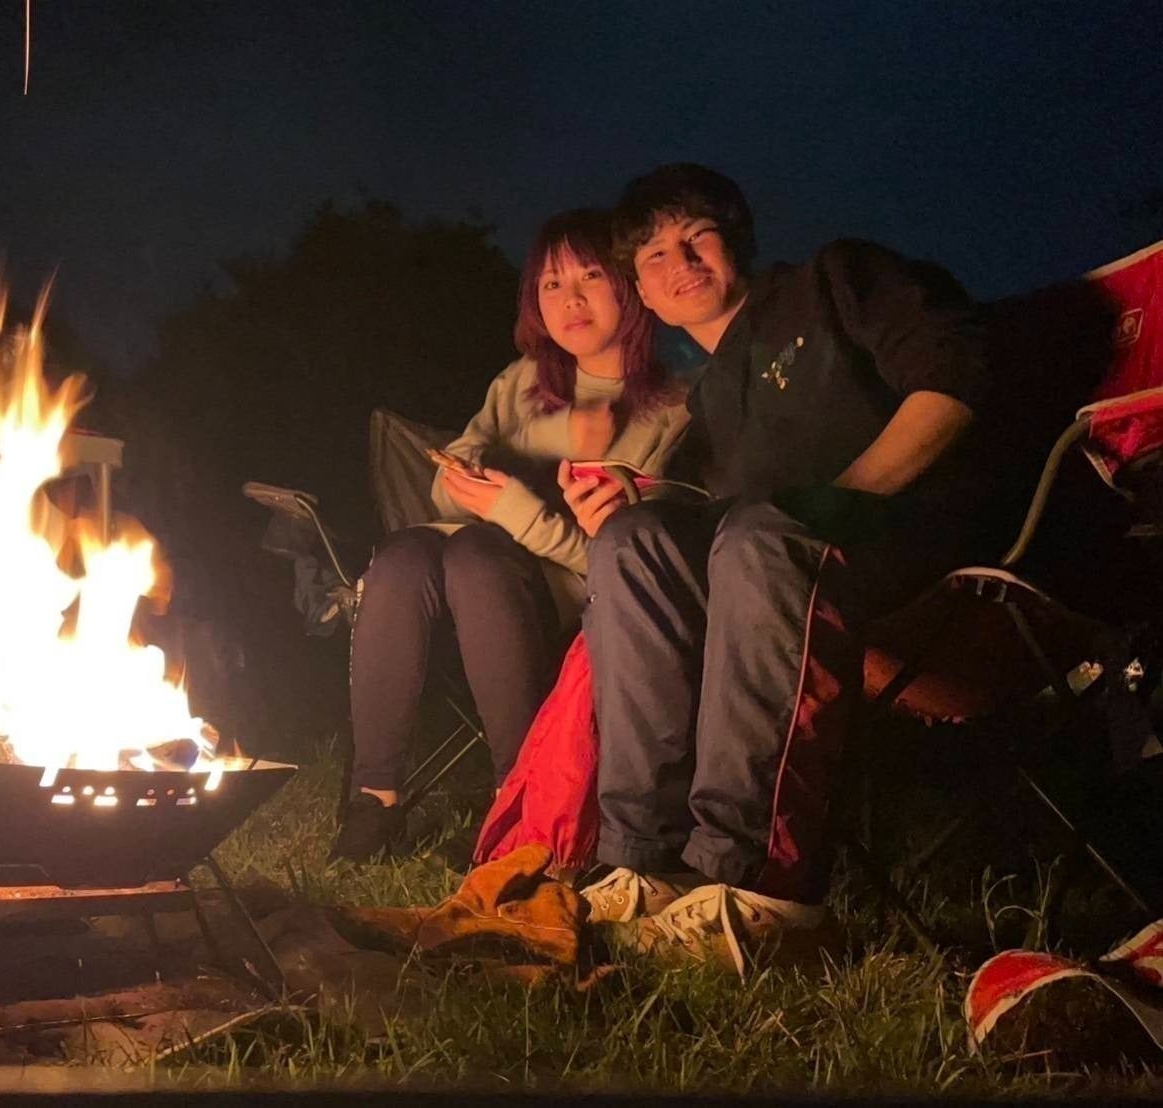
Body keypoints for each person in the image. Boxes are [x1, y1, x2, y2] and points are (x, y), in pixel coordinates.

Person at [559, 164, 990, 963]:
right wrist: (634, 499)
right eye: (654, 255)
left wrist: (845, 498)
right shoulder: (711, 397)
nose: (680, 261)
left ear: (738, 240)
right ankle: (645, 863)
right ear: (643, 293)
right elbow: (707, 525)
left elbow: (955, 373)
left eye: (697, 235)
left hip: (916, 562)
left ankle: (754, 884)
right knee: (633, 542)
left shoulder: (833, 281)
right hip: (770, 574)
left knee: (762, 533)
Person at [331, 208, 692, 861]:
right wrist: (479, 476)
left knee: (475, 555)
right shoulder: (521, 383)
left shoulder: (670, 410)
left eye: (589, 276)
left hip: (572, 598)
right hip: (455, 575)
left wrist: (516, 511)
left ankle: (523, 803)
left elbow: (628, 563)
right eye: (551, 284)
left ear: (628, 283)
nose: (570, 299)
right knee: (402, 555)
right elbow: (444, 486)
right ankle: (374, 799)